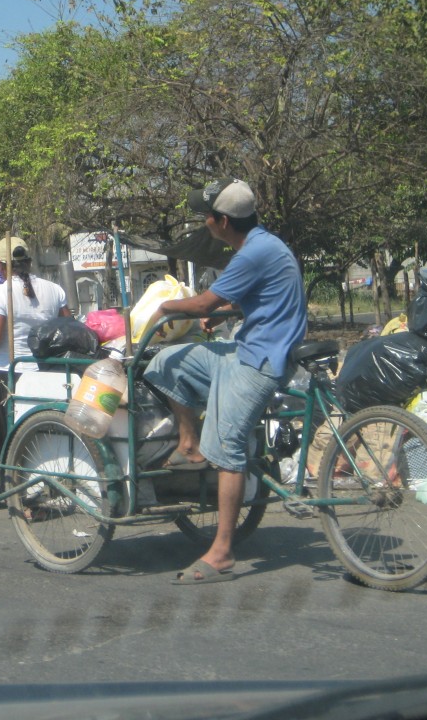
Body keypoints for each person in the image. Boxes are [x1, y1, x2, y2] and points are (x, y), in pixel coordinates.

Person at [143, 178, 307, 585]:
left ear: (221, 222)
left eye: (207, 217)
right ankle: (188, 443)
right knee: (166, 363)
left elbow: (203, 302)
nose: (206, 224)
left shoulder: (253, 253)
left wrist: (163, 305)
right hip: (245, 349)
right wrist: (223, 312)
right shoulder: (262, 245)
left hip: (260, 361)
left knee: (228, 446)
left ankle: (221, 553)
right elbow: (244, 298)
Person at [0, 237, 71, 455]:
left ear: (0, 266)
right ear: (29, 262)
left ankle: (8, 481)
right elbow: (69, 329)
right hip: (46, 374)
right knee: (44, 441)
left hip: (11, 376)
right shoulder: (55, 290)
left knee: (8, 443)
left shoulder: (0, 292)